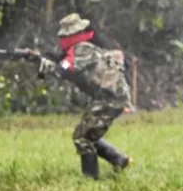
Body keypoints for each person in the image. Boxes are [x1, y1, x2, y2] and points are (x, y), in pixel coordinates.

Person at [36, 13, 133, 179]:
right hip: (110, 97)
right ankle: (120, 160)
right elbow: (64, 65)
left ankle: (91, 178)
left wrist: (42, 63)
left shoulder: (83, 49)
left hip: (110, 99)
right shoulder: (82, 48)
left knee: (82, 138)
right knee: (87, 134)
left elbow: (64, 70)